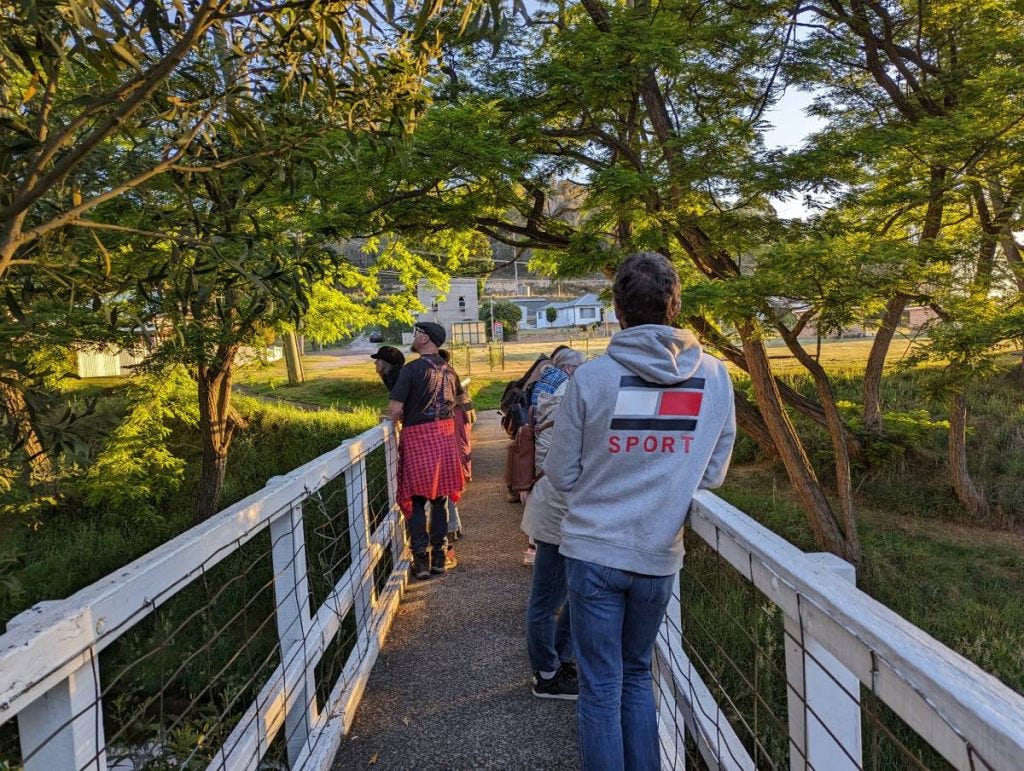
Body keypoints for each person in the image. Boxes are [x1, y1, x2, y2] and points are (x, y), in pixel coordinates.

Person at [545, 252, 736, 769]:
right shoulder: (715, 377)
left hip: (593, 553)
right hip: (657, 556)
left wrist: (610, 478)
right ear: (675, 305)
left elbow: (561, 474)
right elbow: (713, 474)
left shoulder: (591, 378)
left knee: (600, 688)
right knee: (635, 677)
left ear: (618, 310)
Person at [520, 346, 586, 699]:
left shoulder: (549, 391)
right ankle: (548, 672)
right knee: (548, 598)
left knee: (570, 594)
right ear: (571, 369)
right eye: (582, 368)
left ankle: (560, 661)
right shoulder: (566, 399)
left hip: (556, 507)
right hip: (559, 510)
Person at [388, 322, 465, 580]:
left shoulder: (410, 370)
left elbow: (396, 410)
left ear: (425, 338)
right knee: (440, 500)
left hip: (418, 438)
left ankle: (421, 562)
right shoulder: (450, 370)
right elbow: (461, 403)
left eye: (416, 333)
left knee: (417, 499)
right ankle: (440, 560)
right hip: (443, 439)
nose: (413, 337)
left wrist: (394, 418)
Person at [438, 348, 476, 547]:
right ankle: (453, 525)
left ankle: (449, 527)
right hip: (452, 442)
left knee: (442, 483)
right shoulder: (452, 378)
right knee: (447, 481)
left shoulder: (442, 380)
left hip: (442, 440)